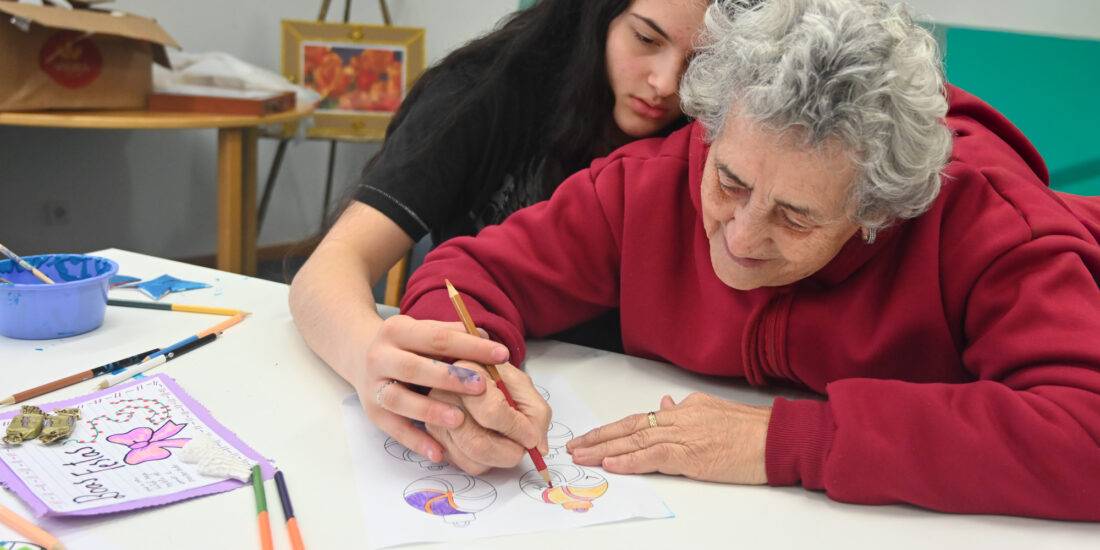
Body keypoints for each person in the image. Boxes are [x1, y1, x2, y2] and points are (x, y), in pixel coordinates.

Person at [397, 0, 1100, 520]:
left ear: (878, 212)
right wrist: (465, 379)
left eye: (795, 216)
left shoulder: (990, 225)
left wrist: (786, 440)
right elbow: (467, 275)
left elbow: (1085, 433)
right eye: (729, 181)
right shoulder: (656, 177)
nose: (740, 237)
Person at [290, 0, 709, 465]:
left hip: (633, 408)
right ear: (597, 14)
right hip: (495, 378)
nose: (667, 84)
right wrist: (372, 355)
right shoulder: (484, 93)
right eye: (646, 39)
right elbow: (329, 268)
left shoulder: (708, 134)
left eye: (702, 61)